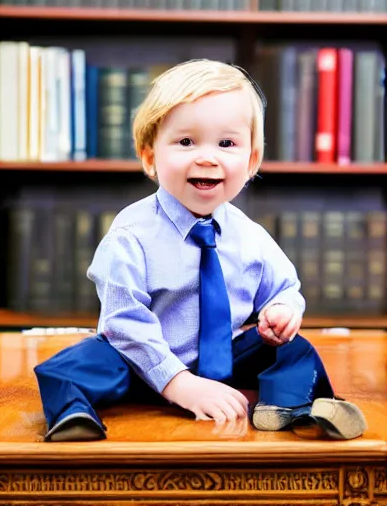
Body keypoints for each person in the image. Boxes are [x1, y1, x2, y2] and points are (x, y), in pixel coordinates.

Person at [34, 59, 367, 442]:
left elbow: (284, 288)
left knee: (294, 349)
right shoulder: (131, 234)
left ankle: (289, 407)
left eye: (226, 144)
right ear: (149, 157)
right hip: (140, 365)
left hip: (222, 363)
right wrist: (179, 384)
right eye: (186, 142)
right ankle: (72, 414)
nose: (206, 157)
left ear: (251, 161)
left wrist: (282, 312)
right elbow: (124, 322)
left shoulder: (250, 236)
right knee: (74, 365)